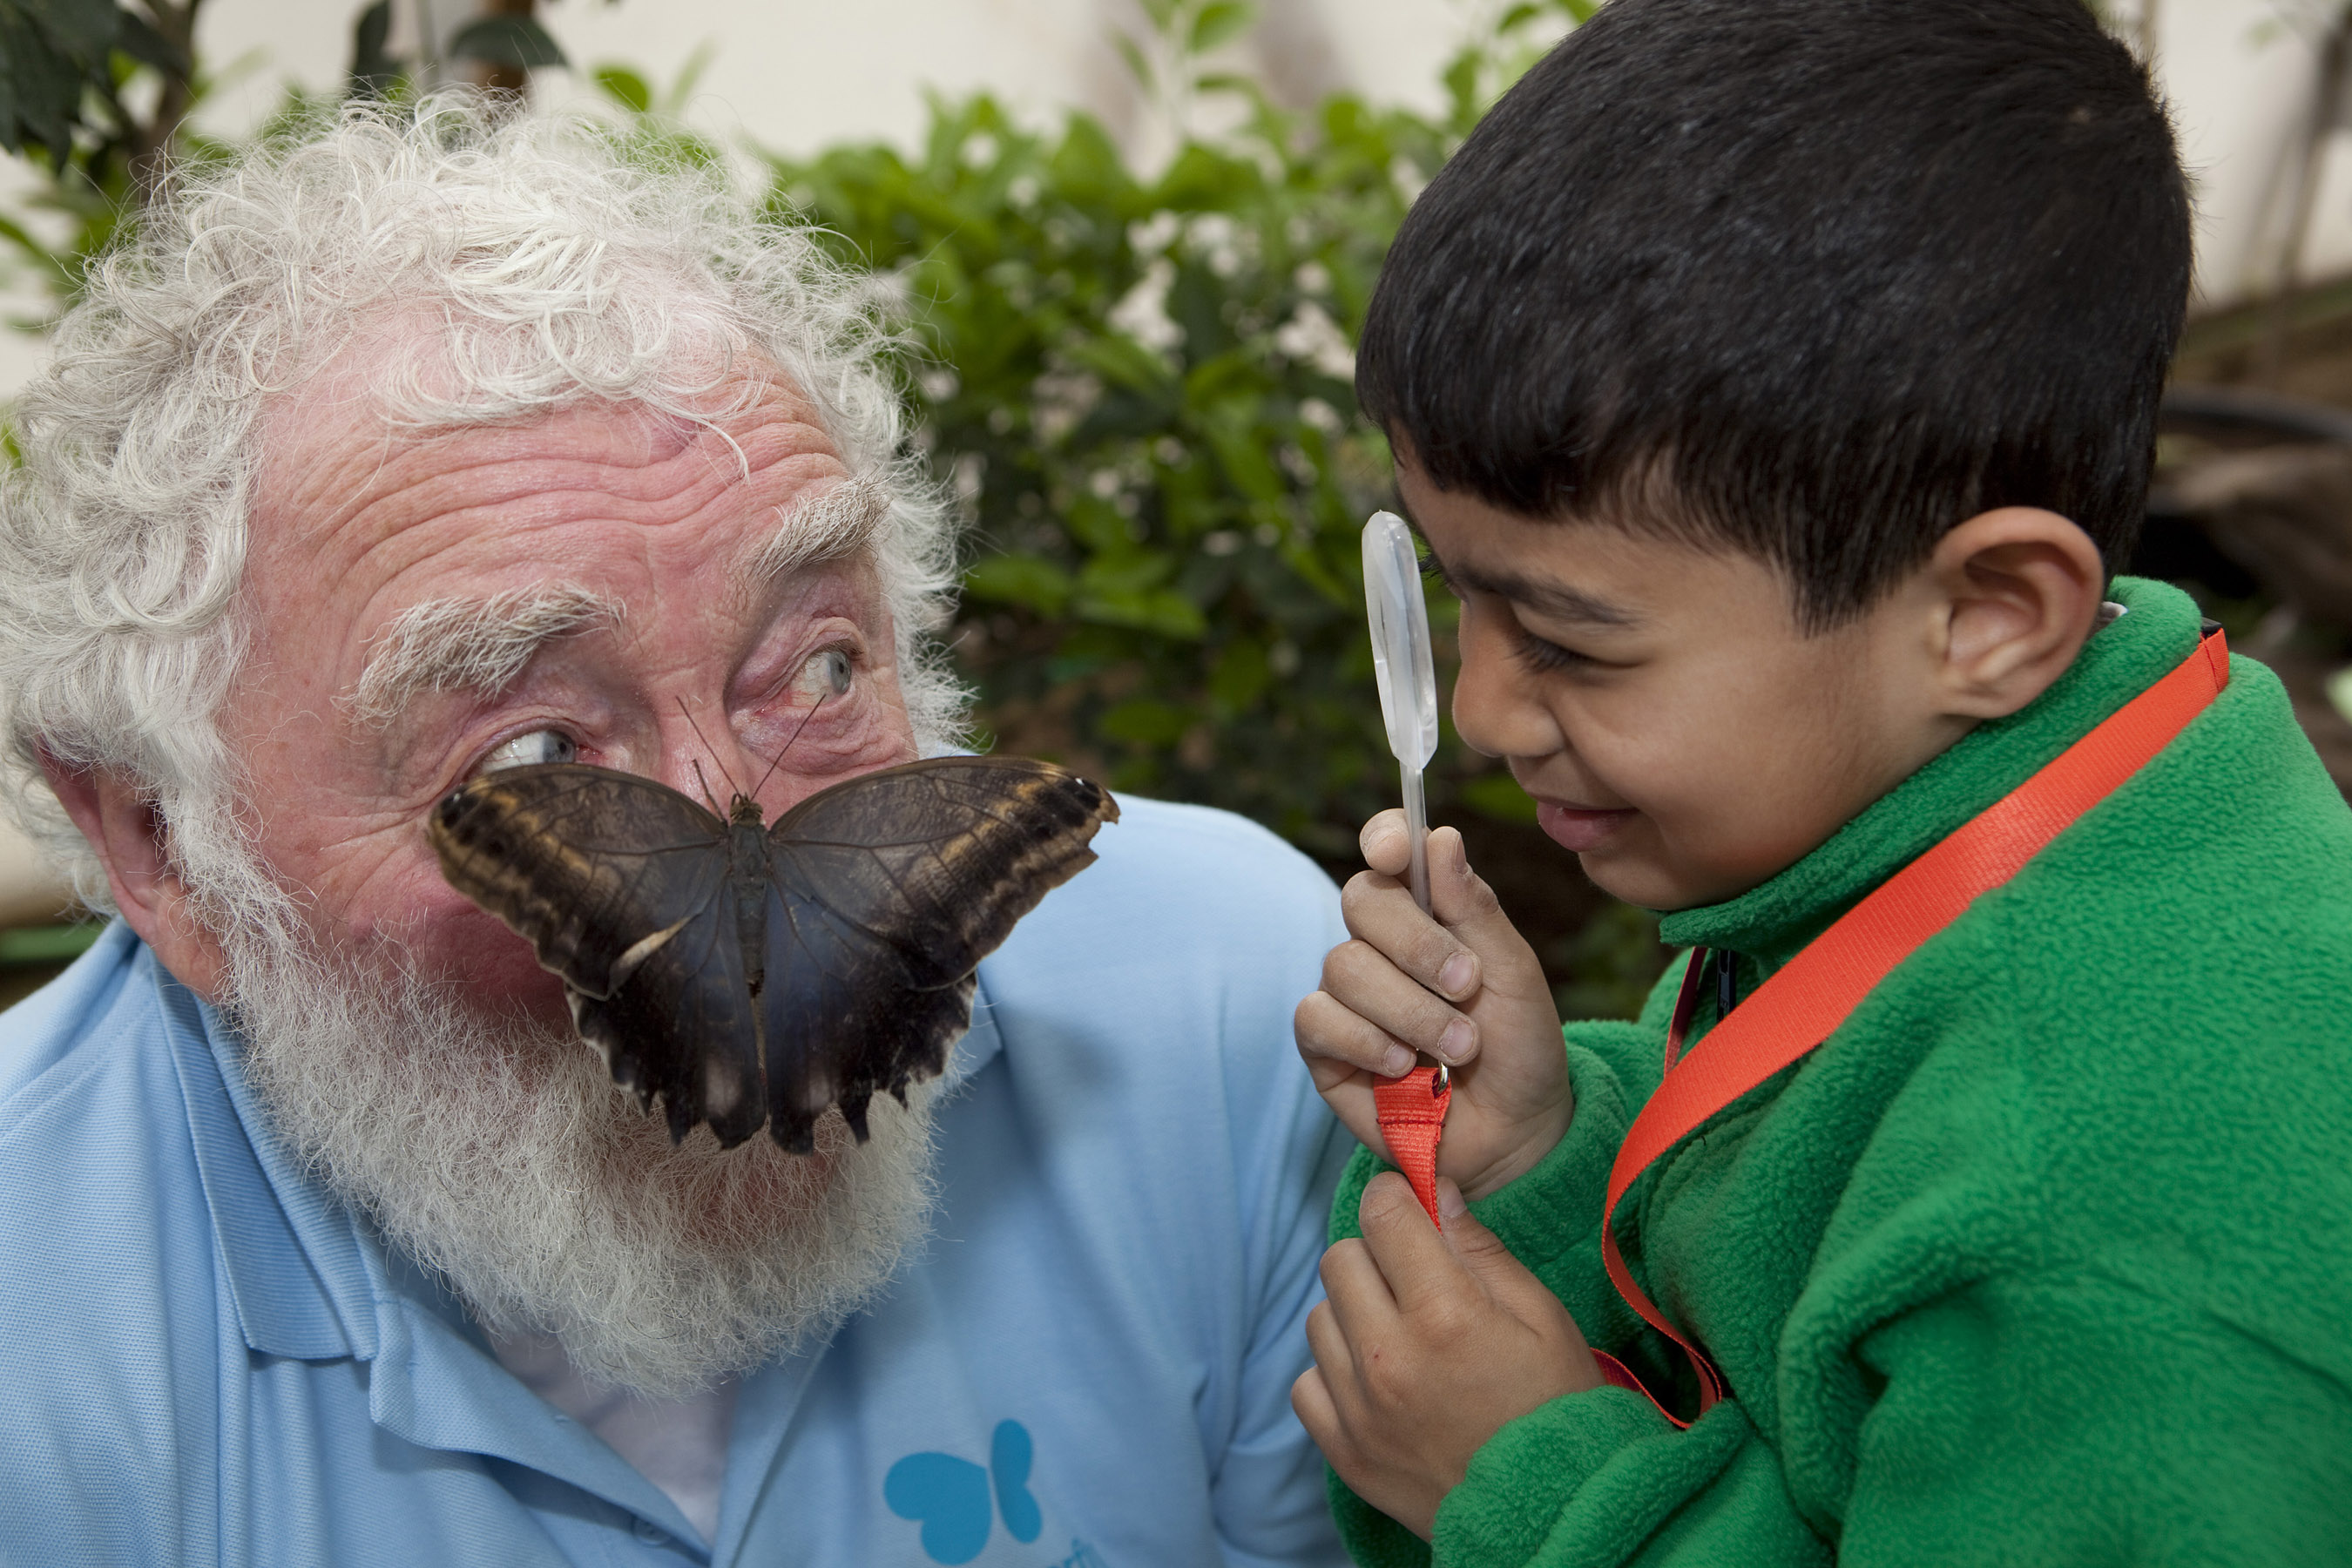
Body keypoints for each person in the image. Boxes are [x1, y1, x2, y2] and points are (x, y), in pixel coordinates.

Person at [0, 100, 1352, 1568]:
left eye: (820, 667)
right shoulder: (38, 1354)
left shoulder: (1244, 1011)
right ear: (167, 852)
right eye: (531, 754)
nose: (743, 830)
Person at [1290, 0, 2352, 1562]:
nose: (1490, 707)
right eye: (1459, 593)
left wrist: (1535, 1494)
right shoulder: (1945, 797)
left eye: (1573, 640)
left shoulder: (2097, 1228)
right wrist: (1546, 1155)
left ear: (1987, 618)